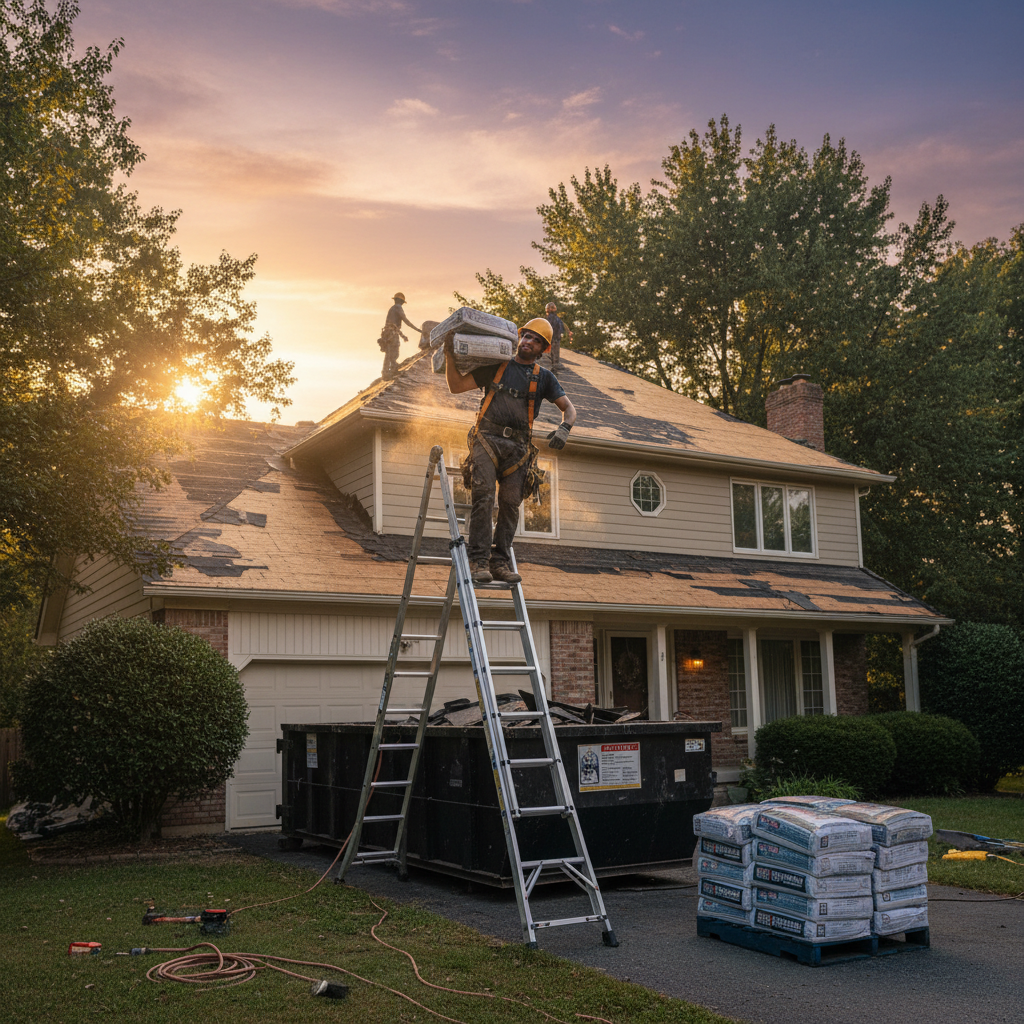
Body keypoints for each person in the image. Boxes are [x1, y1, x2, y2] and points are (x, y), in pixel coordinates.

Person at [445, 318, 576, 585]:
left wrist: (565, 428)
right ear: (519, 338)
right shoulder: (496, 366)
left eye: (535, 340)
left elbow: (569, 409)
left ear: (544, 349)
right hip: (487, 439)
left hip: (518, 450)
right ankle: (478, 560)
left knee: (510, 504)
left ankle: (500, 562)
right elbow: (456, 386)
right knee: (484, 496)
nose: (528, 342)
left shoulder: (544, 378)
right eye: (526, 336)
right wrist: (449, 354)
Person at [379, 292, 421, 379]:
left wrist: (403, 336)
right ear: (401, 301)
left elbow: (394, 326)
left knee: (390, 353)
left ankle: (388, 371)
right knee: (393, 353)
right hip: (391, 334)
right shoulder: (398, 307)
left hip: (388, 334)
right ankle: (388, 372)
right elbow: (405, 321)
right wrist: (418, 330)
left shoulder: (392, 308)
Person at [543, 301, 573, 376]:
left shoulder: (548, 319)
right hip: (556, 340)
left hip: (550, 340)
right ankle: (553, 372)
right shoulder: (558, 319)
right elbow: (562, 329)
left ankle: (551, 373)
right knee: (555, 358)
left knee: (548, 357)